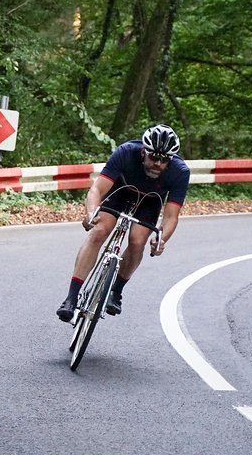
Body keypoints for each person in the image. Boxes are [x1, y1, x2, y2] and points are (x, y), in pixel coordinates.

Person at [56, 124, 190, 322]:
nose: (158, 164)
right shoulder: (126, 152)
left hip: (150, 201)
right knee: (100, 230)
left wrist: (162, 239)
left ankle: (116, 291)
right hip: (120, 190)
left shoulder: (180, 172)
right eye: (153, 157)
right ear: (143, 151)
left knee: (137, 241)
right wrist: (91, 213)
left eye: (164, 160)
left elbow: (171, 216)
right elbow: (97, 190)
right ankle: (71, 297)